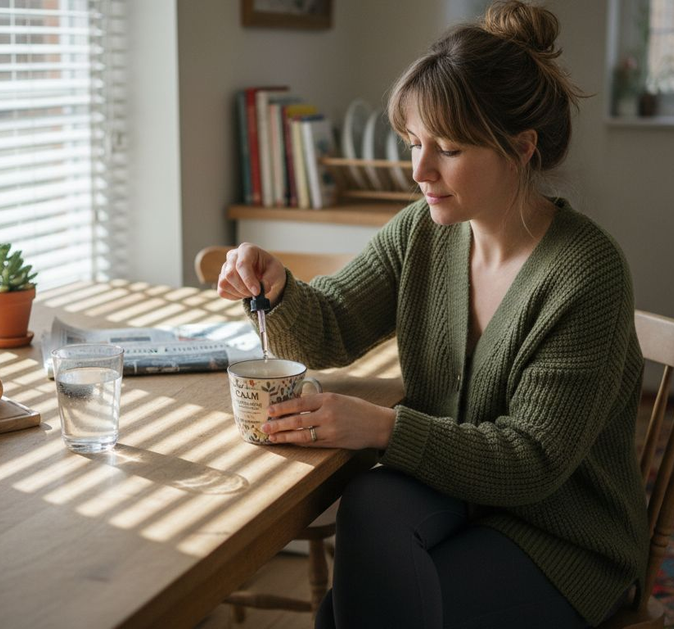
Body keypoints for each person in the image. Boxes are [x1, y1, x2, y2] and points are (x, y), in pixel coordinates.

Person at [215, 1, 647, 626]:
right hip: (456, 494)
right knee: (369, 506)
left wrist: (382, 428)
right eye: (415, 143)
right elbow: (333, 326)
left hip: (561, 536)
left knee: (347, 613)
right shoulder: (424, 230)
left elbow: (532, 464)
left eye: (446, 149)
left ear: (520, 148)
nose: (418, 171)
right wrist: (280, 287)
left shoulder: (586, 273)